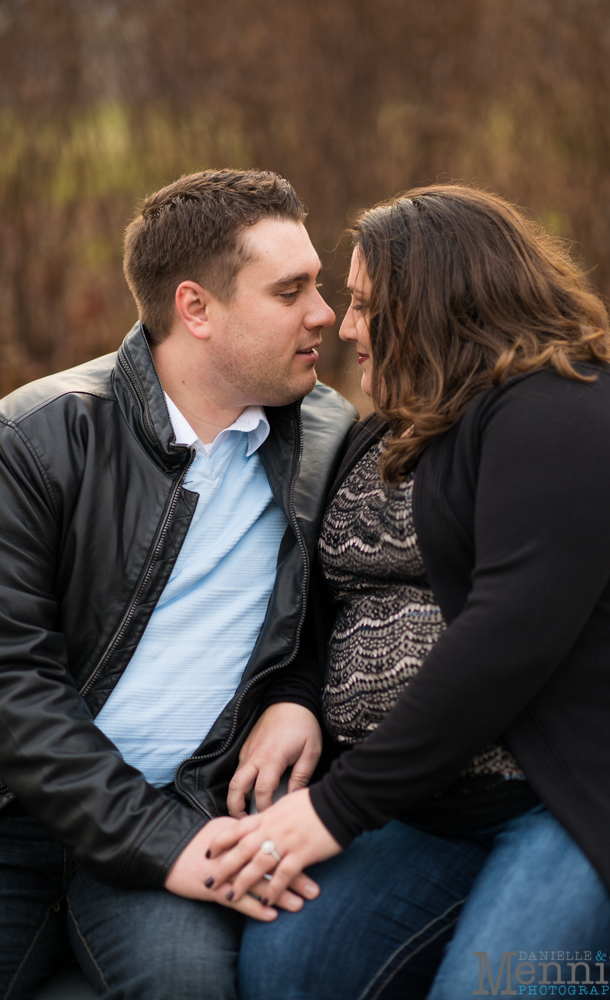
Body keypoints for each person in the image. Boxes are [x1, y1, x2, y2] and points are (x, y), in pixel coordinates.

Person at [202, 184, 610, 998]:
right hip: (426, 806)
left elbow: (504, 638)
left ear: (441, 303)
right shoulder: (388, 430)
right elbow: (325, 606)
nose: (345, 328)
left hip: (572, 799)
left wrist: (334, 810)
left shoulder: (573, 411)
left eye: (364, 306)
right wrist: (298, 697)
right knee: (288, 973)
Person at [0, 168, 355, 1000]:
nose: (325, 314)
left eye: (320, 285)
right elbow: (12, 680)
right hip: (19, 820)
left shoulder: (330, 443)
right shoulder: (37, 438)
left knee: (188, 985)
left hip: (194, 811)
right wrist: (161, 842)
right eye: (290, 290)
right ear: (196, 309)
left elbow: (346, 614)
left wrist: (298, 696)